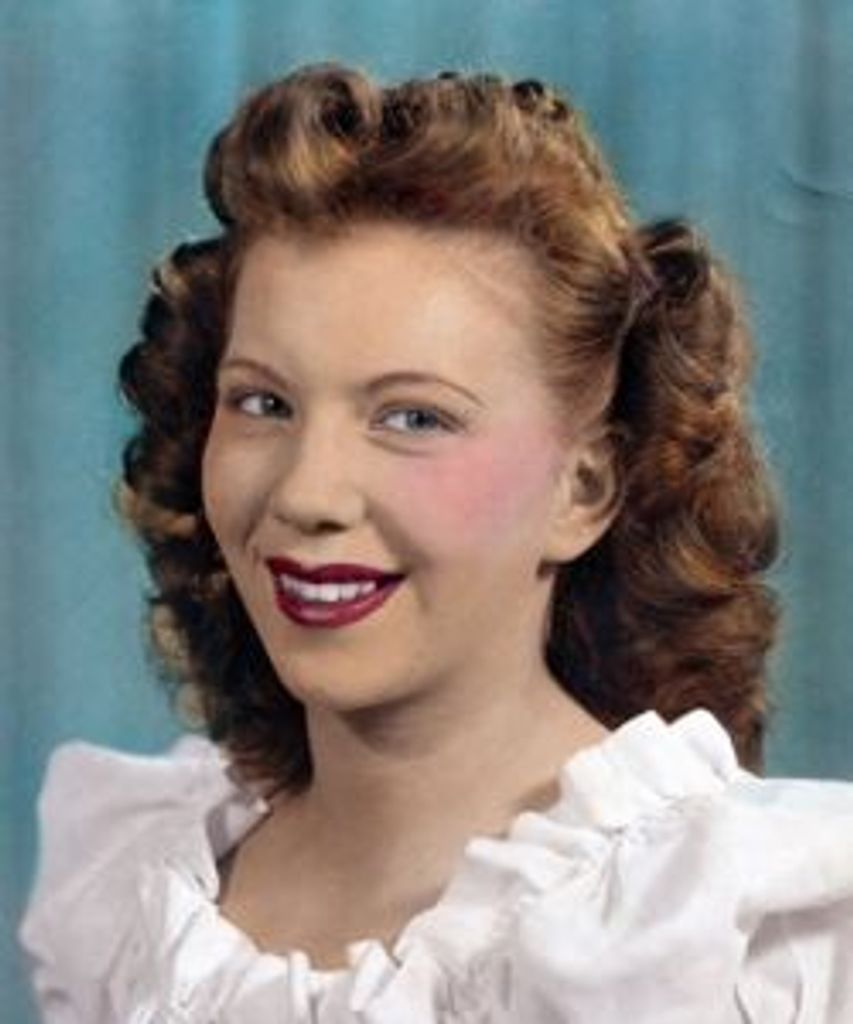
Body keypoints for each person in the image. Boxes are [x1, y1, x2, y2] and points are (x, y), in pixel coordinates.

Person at [18, 62, 853, 1022]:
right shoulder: (130, 901)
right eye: (263, 403)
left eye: (413, 418)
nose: (306, 494)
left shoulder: (737, 942)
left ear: (583, 490)